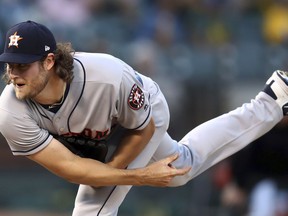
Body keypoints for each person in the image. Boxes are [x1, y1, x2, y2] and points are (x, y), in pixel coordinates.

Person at [0, 20, 287, 216]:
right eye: (10, 64)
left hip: (140, 116)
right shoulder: (11, 110)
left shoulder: (108, 77)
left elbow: (142, 129)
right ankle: (272, 102)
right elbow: (72, 168)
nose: (13, 74)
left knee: (93, 204)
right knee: (181, 168)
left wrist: (116, 172)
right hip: (98, 134)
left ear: (49, 62)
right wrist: (140, 176)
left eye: (23, 65)